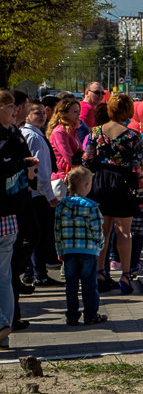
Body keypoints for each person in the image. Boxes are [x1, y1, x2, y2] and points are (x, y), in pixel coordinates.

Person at [83, 93, 143, 295]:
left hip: (100, 182)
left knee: (103, 231)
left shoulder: (95, 132)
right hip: (122, 184)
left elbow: (86, 162)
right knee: (124, 232)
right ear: (128, 111)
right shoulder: (132, 136)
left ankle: (101, 273)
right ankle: (126, 276)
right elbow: (140, 166)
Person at [0, 89, 38, 347]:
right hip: (10, 207)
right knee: (3, 274)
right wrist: (23, 164)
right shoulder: (12, 134)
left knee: (4, 274)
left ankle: (4, 324)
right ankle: (4, 326)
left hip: (10, 209)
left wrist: (25, 167)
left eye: (15, 105)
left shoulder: (13, 133)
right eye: (10, 106)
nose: (16, 110)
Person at [54, 167, 106, 326]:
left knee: (71, 285)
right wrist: (99, 246)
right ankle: (90, 315)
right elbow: (97, 229)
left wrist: (59, 250)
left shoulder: (61, 206)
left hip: (68, 251)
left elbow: (57, 229)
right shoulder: (91, 207)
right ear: (86, 186)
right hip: (88, 251)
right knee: (89, 284)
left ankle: (71, 315)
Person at [21, 99, 61, 286]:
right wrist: (50, 195)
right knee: (38, 234)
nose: (42, 116)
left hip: (36, 192)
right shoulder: (33, 137)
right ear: (27, 115)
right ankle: (38, 273)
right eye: (36, 113)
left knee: (35, 233)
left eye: (43, 113)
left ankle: (32, 271)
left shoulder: (36, 134)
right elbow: (41, 170)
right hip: (38, 193)